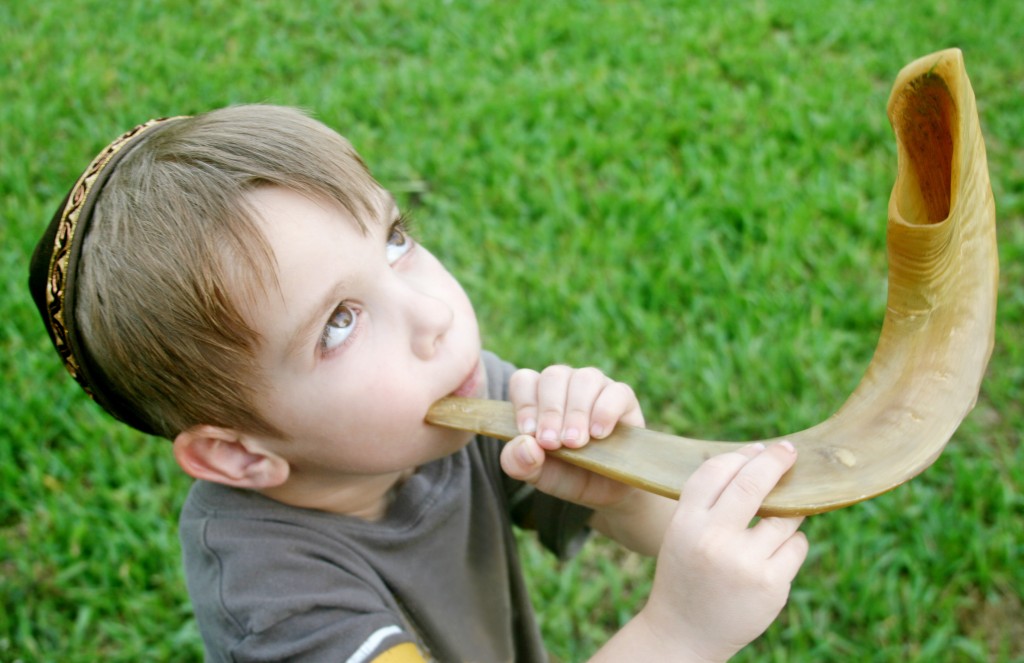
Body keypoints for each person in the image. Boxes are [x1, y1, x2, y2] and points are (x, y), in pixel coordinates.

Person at [29, 105, 808, 662]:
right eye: (339, 321)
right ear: (239, 454)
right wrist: (678, 635)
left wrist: (626, 482)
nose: (433, 312)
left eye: (395, 240)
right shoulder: (277, 604)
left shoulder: (443, 407)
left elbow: (653, 531)